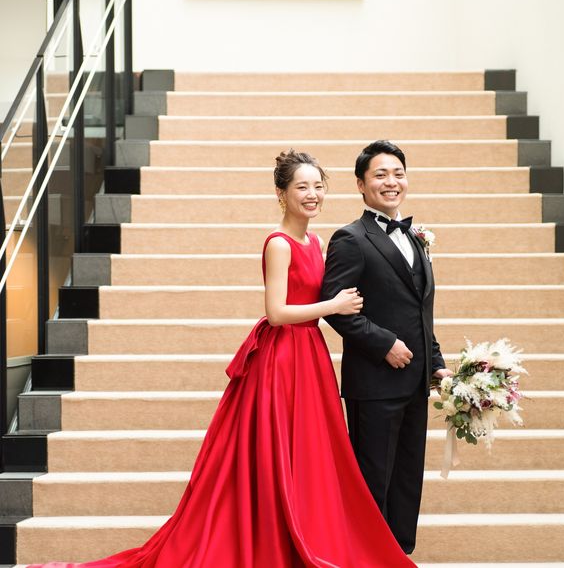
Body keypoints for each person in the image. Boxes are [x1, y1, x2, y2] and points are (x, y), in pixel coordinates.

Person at [30, 150, 414, 567]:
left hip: (311, 356)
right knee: (275, 452)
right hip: (283, 357)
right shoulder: (278, 244)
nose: (312, 195)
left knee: (308, 453)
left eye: (318, 186)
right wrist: (333, 306)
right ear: (281, 194)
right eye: (302, 187)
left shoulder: (315, 241)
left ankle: (303, 531)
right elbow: (276, 312)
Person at [321, 140, 453, 555]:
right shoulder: (350, 239)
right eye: (380, 175)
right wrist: (385, 345)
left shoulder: (416, 236)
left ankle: (398, 557)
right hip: (375, 384)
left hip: (416, 383)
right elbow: (336, 309)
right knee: (372, 482)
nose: (391, 182)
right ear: (361, 184)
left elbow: (420, 312)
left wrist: (438, 364)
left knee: (407, 482)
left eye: (398, 173)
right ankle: (365, 558)